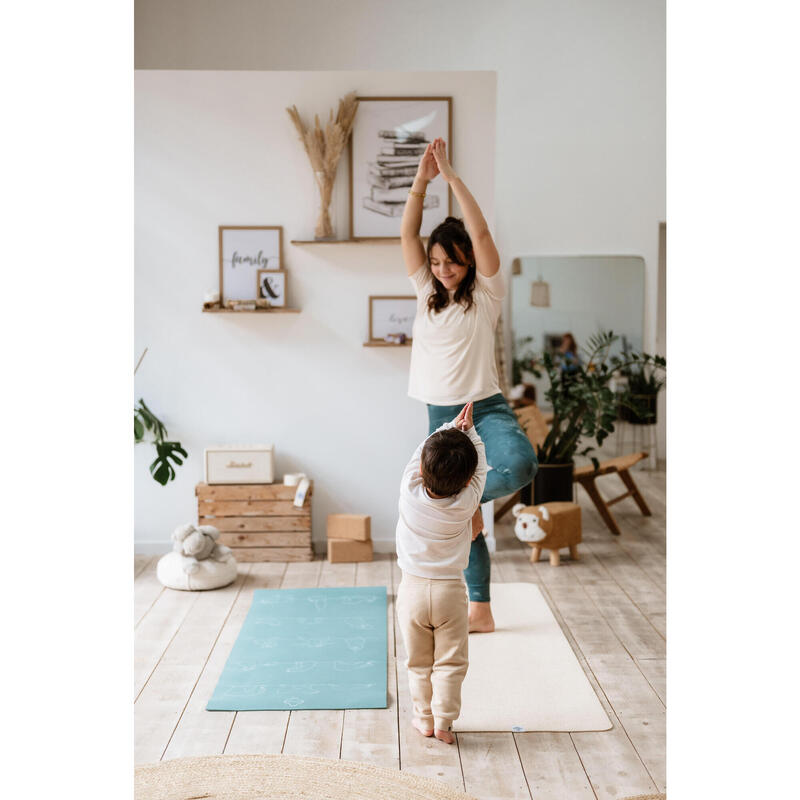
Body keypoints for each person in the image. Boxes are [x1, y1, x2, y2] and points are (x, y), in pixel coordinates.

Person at [400, 138, 538, 633]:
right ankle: (479, 610)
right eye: (437, 262)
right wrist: (421, 180)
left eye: (452, 261)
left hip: (487, 407)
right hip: (441, 419)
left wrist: (451, 176)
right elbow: (408, 231)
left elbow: (478, 230)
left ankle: (471, 498)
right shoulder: (425, 292)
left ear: (469, 261)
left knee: (518, 465)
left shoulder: (487, 293)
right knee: (461, 504)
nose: (443, 269)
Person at [395, 401, 487, 744]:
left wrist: (449, 425)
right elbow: (480, 470)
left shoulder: (409, 491)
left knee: (418, 663)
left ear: (421, 469)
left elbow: (423, 451)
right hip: (450, 594)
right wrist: (472, 432)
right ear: (465, 481)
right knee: (450, 663)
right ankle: (445, 723)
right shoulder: (467, 502)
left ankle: (424, 719)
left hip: (413, 592)